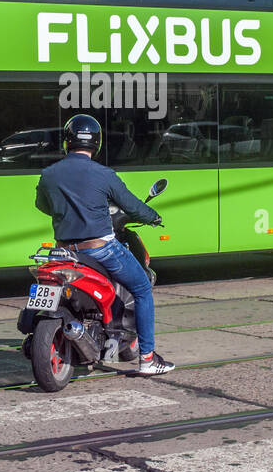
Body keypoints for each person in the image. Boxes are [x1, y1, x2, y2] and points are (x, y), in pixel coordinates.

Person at [34, 114, 174, 375]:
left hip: (64, 251)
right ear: (96, 144)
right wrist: (153, 217)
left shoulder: (49, 174)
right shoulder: (104, 174)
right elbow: (132, 206)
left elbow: (42, 205)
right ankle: (147, 358)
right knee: (143, 287)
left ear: (67, 142)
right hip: (100, 248)